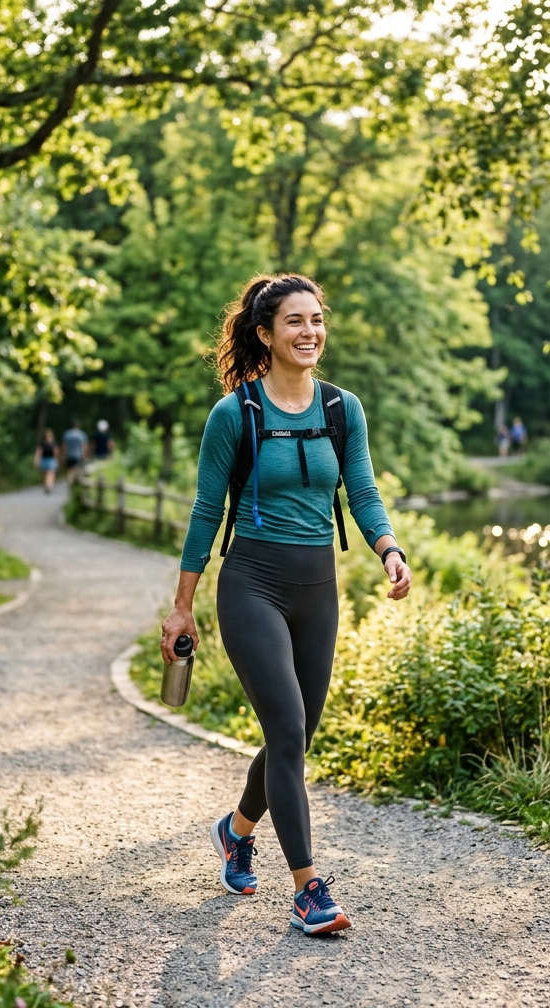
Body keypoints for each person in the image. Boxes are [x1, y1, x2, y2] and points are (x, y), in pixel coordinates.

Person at [160, 273, 412, 936]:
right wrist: (182, 608)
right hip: (252, 584)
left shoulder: (340, 409)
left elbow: (362, 490)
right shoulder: (235, 415)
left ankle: (236, 830)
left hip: (318, 588)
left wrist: (388, 547)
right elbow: (206, 512)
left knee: (294, 739)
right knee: (287, 729)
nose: (310, 332)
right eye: (294, 322)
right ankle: (308, 890)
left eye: (317, 320)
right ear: (265, 334)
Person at [34, 429, 57, 493]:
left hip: (51, 459)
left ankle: (49, 485)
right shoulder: (42, 444)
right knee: (46, 474)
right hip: (44, 459)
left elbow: (55, 452)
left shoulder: (53, 443)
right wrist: (37, 460)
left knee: (51, 473)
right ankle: (47, 485)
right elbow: (39, 452)